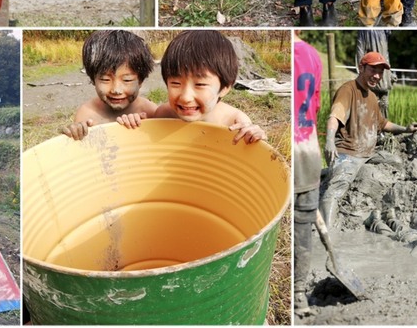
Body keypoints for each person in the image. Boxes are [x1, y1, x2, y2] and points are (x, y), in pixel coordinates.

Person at [319, 52, 417, 229]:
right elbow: (335, 116)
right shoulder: (348, 89)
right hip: (348, 152)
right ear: (361, 68)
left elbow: (383, 124)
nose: (377, 76)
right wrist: (329, 140)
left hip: (369, 153)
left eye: (380, 72)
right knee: (337, 188)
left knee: (395, 162)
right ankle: (326, 233)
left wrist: (405, 129)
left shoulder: (372, 97)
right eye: (373, 70)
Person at [121, 30, 266, 145]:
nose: (185, 97)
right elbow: (148, 146)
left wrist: (256, 136)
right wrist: (135, 124)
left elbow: (257, 154)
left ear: (224, 88)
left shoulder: (235, 121)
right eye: (176, 83)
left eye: (200, 85)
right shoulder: (164, 113)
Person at [62, 30, 157, 140]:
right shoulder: (87, 114)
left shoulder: (149, 111)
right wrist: (76, 131)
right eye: (105, 79)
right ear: (93, 79)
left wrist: (144, 126)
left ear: (141, 81)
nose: (116, 90)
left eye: (127, 80)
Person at [293, 31, 323, 317]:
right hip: (309, 153)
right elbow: (315, 107)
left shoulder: (297, 55)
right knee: (302, 227)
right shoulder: (313, 55)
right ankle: (299, 295)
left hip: (290, 154)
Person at [355, 30, 393, 117]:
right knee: (370, 106)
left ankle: (383, 128)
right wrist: (362, 72)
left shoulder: (384, 34)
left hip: (384, 82)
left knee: (384, 104)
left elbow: (385, 54)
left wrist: (389, 74)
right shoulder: (365, 32)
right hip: (370, 82)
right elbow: (360, 51)